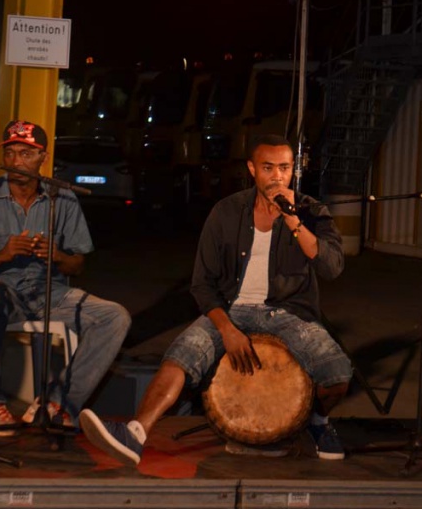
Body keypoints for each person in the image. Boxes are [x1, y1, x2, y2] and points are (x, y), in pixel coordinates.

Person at [79, 134, 351, 465]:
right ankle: (134, 433)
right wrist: (226, 329)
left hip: (288, 312)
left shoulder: (310, 211)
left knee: (338, 373)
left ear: (293, 169)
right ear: (252, 169)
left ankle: (318, 421)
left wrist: (293, 220)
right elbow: (202, 284)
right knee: (180, 357)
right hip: (231, 309)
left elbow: (331, 268)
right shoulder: (226, 212)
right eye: (268, 168)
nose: (277, 177)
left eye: (284, 168)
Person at [0, 120, 131, 433]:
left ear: (43, 156)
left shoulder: (62, 198)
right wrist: (2, 254)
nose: (16, 161)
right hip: (3, 292)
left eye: (26, 154)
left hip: (51, 294)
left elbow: (77, 265)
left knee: (115, 316)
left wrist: (57, 256)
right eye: (10, 153)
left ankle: (59, 404)